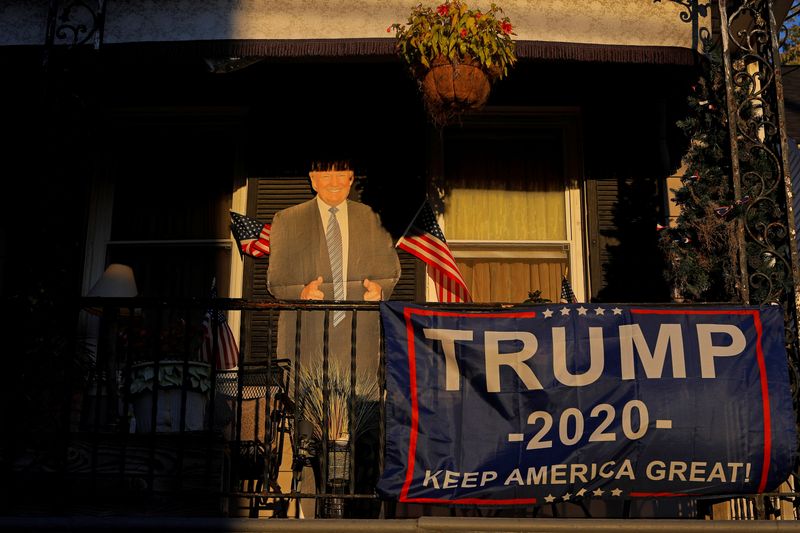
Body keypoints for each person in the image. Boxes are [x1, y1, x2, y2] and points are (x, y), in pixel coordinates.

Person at [267, 159, 400, 518]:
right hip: (309, 347)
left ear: (353, 177)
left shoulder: (371, 217)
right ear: (312, 178)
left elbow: (391, 272)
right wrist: (302, 291)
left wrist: (380, 290)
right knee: (309, 444)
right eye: (325, 173)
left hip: (360, 349)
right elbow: (276, 282)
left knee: (365, 438)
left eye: (342, 173)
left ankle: (365, 516)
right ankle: (312, 515)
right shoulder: (287, 220)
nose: (334, 181)